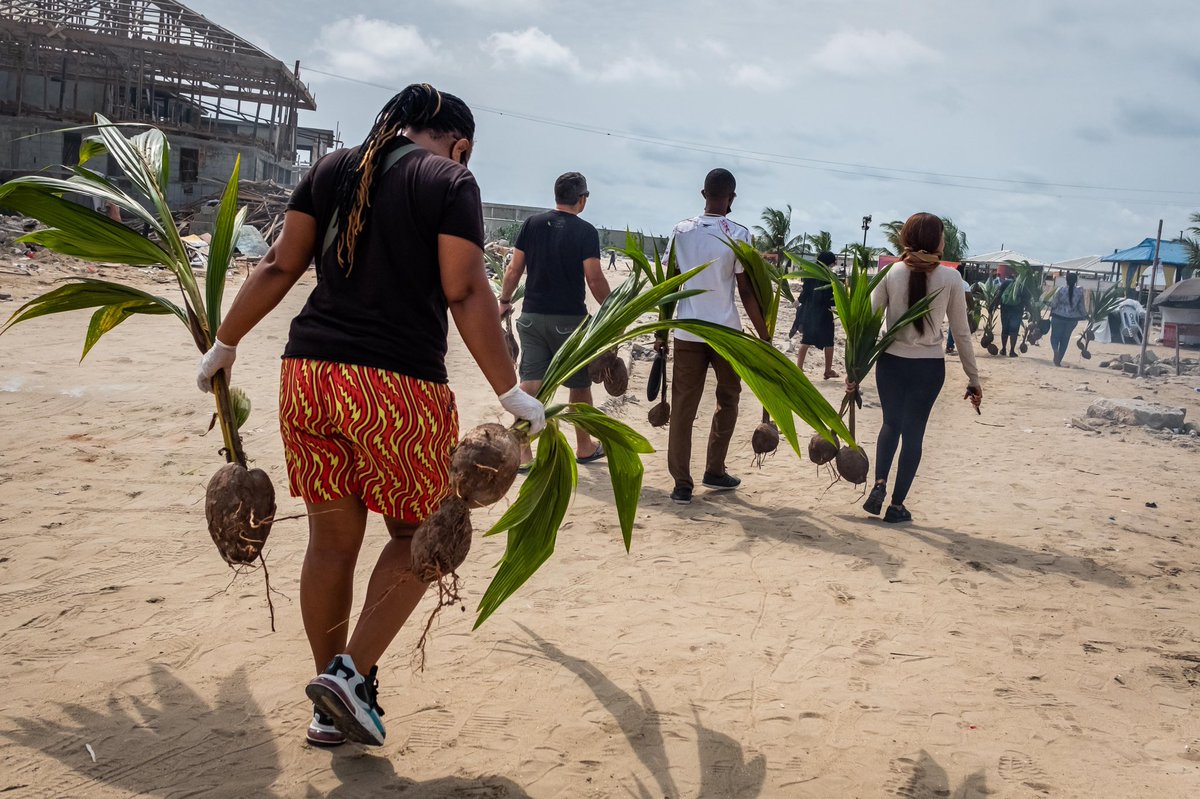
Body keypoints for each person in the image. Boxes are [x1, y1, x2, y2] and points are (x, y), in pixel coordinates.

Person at [195, 84, 545, 748]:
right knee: (425, 534)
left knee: (331, 543)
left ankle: (331, 703)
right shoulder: (449, 181)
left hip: (309, 376)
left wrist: (224, 342)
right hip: (396, 387)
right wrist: (509, 391)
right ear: (460, 144)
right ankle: (351, 676)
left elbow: (279, 262)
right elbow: (466, 287)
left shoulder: (333, 168)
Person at [856, 212, 982, 523]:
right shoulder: (951, 278)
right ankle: (897, 506)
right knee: (914, 435)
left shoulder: (891, 273)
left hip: (890, 363)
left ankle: (880, 484)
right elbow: (961, 332)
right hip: (928, 368)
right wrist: (973, 377)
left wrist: (855, 370)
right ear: (936, 241)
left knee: (890, 425)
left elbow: (868, 324)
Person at [663, 168, 769, 505]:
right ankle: (715, 468)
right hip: (726, 332)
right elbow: (746, 290)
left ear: (703, 193)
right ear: (731, 198)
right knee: (728, 400)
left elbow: (668, 285)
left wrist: (661, 333)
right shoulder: (739, 234)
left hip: (687, 330)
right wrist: (764, 336)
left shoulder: (681, 231)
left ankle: (682, 483)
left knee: (683, 407)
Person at [498, 172, 610, 464]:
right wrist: (611, 306)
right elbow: (594, 277)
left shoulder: (532, 224)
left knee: (530, 383)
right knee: (579, 385)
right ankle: (584, 447)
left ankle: (523, 452)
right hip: (569, 322)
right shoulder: (585, 231)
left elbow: (513, 270)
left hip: (532, 316)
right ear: (582, 199)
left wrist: (504, 301)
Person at [794, 251, 839, 379]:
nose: (834, 264)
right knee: (829, 341)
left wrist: (798, 302)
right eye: (833, 261)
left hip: (810, 311)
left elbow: (805, 293)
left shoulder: (809, 273)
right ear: (829, 262)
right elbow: (831, 297)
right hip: (825, 312)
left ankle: (799, 368)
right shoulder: (830, 276)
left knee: (806, 339)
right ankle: (828, 370)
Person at [1048, 271, 1087, 366]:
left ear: (1066, 280)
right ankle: (1059, 360)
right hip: (1072, 320)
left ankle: (1055, 351)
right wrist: (1086, 315)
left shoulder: (1061, 290)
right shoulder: (1079, 291)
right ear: (1076, 281)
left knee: (1055, 337)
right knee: (1065, 340)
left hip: (1058, 316)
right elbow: (1081, 307)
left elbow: (1054, 304)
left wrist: (1047, 303)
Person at [996, 265, 1024, 357]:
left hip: (1005, 310)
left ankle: (1003, 349)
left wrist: (992, 306)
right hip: (1017, 311)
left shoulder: (1005, 283)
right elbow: (1027, 300)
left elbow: (998, 296)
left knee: (1005, 330)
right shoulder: (1022, 286)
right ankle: (1012, 351)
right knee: (1014, 331)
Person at [945, 265, 971, 355]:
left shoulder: (950, 282)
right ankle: (954, 347)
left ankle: (949, 346)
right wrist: (972, 309)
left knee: (952, 327)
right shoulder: (964, 284)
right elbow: (969, 299)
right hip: (960, 308)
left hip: (948, 306)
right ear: (963, 273)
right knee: (959, 329)